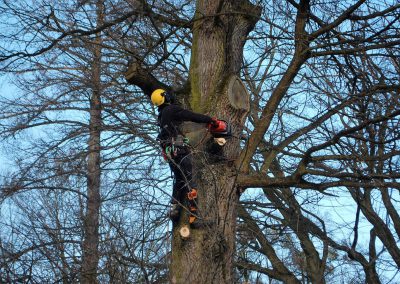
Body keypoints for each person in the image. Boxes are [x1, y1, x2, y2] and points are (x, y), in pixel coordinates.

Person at [151, 88, 217, 223]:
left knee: (179, 179)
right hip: (179, 151)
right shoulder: (171, 110)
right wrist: (209, 119)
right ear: (165, 98)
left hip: (171, 154)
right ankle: (195, 217)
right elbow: (191, 115)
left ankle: (175, 208)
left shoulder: (162, 116)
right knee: (190, 179)